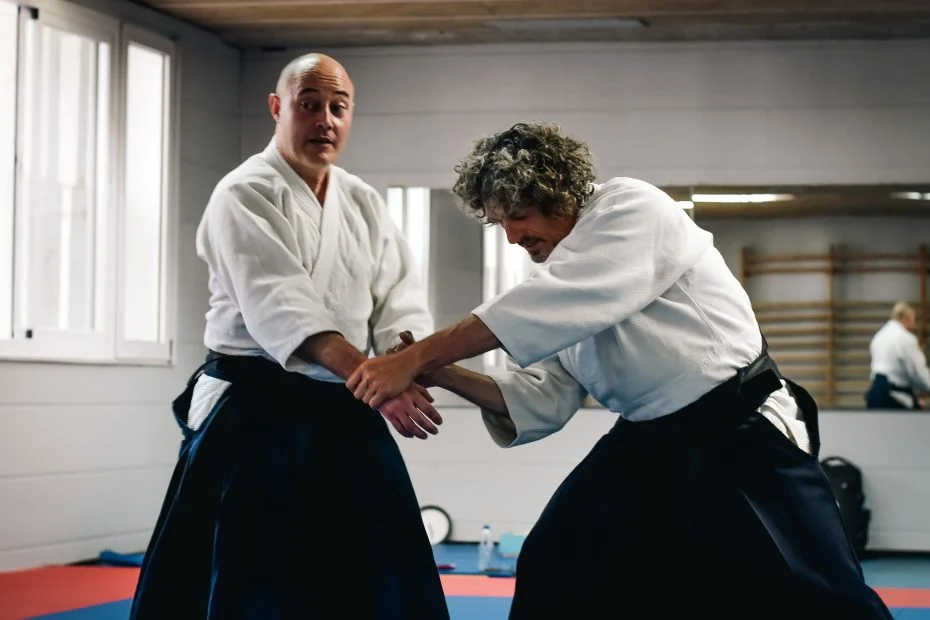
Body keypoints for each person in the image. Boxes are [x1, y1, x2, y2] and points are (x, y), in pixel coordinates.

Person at [346, 122, 895, 619]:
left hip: (739, 424)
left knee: (819, 589)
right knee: (557, 561)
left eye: (518, 216)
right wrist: (442, 375)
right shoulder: (556, 285)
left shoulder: (631, 208)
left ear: (555, 193)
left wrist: (416, 357)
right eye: (499, 224)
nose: (511, 236)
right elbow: (543, 397)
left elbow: (551, 306)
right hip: (649, 440)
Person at [129, 53, 450, 620]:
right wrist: (380, 381)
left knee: (379, 563)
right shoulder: (243, 194)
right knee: (254, 571)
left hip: (349, 396)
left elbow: (399, 300)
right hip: (258, 407)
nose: (325, 119)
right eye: (309, 105)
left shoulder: (362, 201)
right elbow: (284, 309)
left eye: (337, 107)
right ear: (278, 108)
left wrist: (405, 362)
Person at [865, 301, 930, 409]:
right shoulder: (906, 338)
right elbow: (917, 371)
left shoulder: (879, 336)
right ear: (907, 318)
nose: (914, 323)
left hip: (875, 394)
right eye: (914, 319)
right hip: (894, 398)